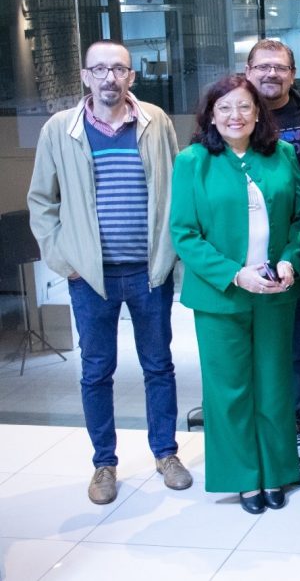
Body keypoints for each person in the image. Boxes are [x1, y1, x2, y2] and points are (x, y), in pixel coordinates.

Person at [27, 39, 192, 505]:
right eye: (98, 70)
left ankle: (166, 453)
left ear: (131, 77)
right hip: (91, 277)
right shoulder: (62, 129)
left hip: (148, 272)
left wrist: (171, 251)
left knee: (159, 365)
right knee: (97, 370)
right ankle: (104, 463)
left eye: (118, 69)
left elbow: (175, 188)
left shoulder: (155, 122)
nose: (109, 78)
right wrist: (65, 261)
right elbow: (42, 202)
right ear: (84, 76)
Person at [170, 74, 300, 515]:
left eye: (244, 107)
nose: (235, 115)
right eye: (224, 107)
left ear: (258, 112)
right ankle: (244, 478)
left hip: (275, 291)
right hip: (220, 296)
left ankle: (278, 471)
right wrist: (234, 274)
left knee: (273, 386)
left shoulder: (282, 155)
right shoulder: (193, 162)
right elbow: (185, 234)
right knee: (229, 390)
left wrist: (288, 261)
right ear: (211, 115)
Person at [245, 38, 300, 468]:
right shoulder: (233, 113)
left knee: (297, 347)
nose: (271, 74)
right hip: (246, 256)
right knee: (252, 351)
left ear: (292, 74)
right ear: (248, 71)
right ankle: (255, 430)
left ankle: (292, 425)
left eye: (279, 67)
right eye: (262, 67)